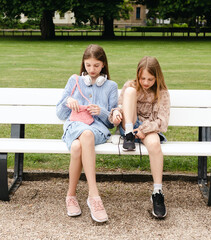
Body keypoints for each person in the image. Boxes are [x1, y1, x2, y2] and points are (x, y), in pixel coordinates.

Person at [56, 44, 118, 223]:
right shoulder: (74, 81)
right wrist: (69, 101)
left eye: (96, 66)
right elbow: (60, 114)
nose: (92, 70)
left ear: (103, 65)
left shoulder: (111, 86)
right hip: (74, 126)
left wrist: (103, 112)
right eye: (88, 65)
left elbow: (112, 123)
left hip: (97, 130)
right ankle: (93, 196)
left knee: (79, 144)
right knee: (82, 138)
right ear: (84, 64)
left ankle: (73, 196)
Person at [109, 56, 170, 219]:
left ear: (157, 77)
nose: (145, 82)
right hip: (129, 124)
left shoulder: (162, 92)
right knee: (130, 91)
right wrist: (116, 113)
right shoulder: (131, 85)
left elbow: (162, 121)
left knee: (155, 144)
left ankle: (157, 192)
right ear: (138, 75)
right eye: (142, 78)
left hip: (148, 128)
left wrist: (143, 129)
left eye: (150, 79)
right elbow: (120, 107)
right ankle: (129, 135)